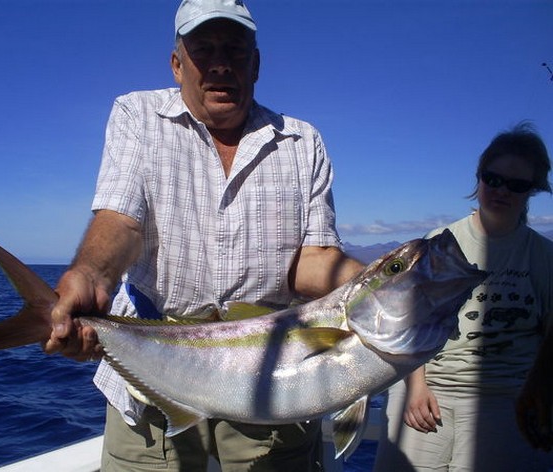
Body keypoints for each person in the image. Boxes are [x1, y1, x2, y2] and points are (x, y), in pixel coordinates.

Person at [42, 1, 364, 471]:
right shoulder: (137, 115)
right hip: (152, 375)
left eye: (235, 50)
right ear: (177, 64)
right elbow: (123, 220)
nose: (220, 64)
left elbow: (310, 260)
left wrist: (385, 280)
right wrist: (91, 274)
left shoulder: (301, 141)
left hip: (273, 375)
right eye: (203, 50)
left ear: (256, 64)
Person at [373, 122, 553, 472]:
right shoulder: (438, 243)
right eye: (493, 178)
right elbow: (407, 321)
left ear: (533, 190)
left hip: (506, 397)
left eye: (517, 185)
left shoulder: (543, 256)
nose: (502, 190)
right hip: (428, 387)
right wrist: (415, 386)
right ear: (479, 177)